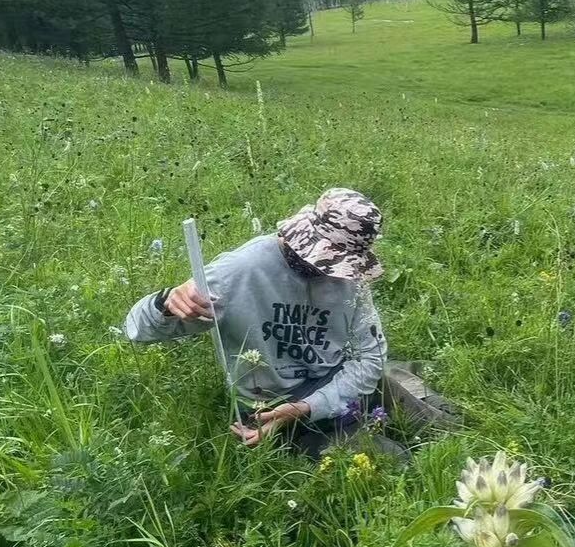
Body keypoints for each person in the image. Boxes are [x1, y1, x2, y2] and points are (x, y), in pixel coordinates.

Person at [123, 188, 450, 458]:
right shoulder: (239, 272)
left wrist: (311, 405)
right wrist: (164, 304)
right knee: (397, 463)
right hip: (273, 408)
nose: (330, 274)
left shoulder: (352, 279)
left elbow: (370, 356)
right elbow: (137, 329)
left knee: (445, 432)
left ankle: (406, 394)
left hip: (334, 381)